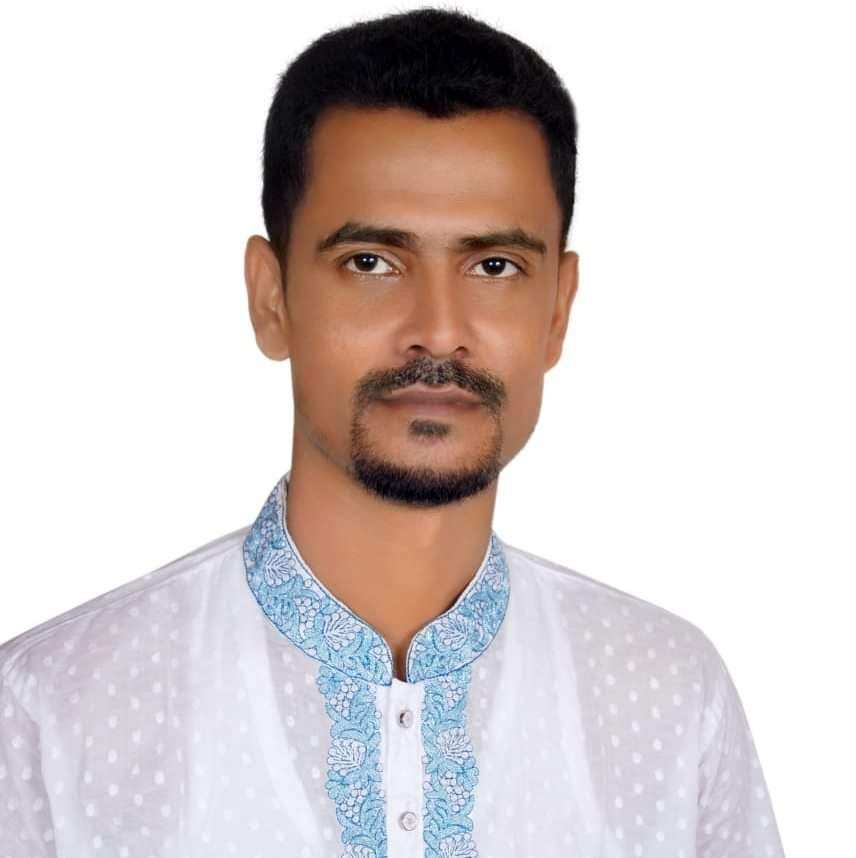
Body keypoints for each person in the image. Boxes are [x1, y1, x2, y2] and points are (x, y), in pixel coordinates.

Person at [0, 7, 786, 857]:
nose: (438, 331)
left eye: (495, 266)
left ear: (558, 310)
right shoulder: (54, 713)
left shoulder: (670, 700)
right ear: (271, 299)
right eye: (371, 262)